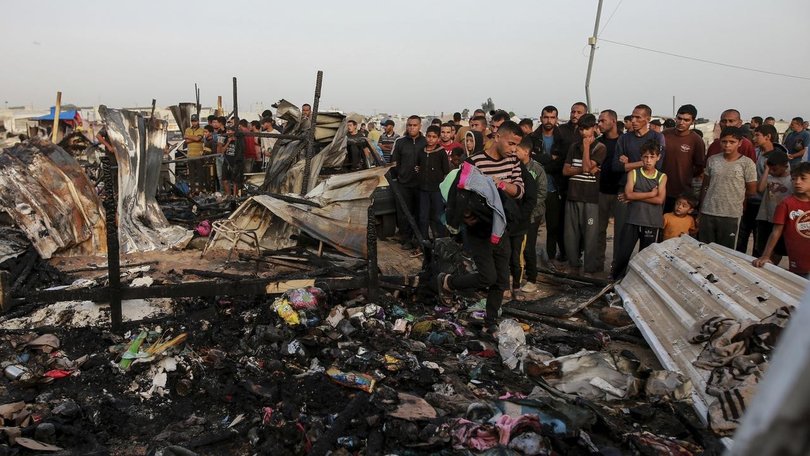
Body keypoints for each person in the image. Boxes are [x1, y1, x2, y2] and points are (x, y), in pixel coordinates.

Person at [441, 121, 525, 335]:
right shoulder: (474, 162)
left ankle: (490, 322)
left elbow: (519, 190)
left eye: (516, 145)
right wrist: (467, 217)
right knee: (488, 277)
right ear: (497, 137)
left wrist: (502, 185)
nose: (513, 149)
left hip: (502, 228)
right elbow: (459, 194)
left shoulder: (513, 161)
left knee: (502, 279)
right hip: (480, 231)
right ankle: (449, 282)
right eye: (511, 143)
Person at [613, 104, 666, 261]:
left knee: (647, 242)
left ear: (648, 119)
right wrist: (640, 163)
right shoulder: (624, 138)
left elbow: (658, 166)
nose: (633, 120)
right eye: (632, 117)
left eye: (638, 117)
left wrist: (629, 164)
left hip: (649, 193)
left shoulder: (657, 138)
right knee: (622, 237)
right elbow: (616, 167)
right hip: (625, 192)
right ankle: (616, 271)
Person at [613, 140, 667, 278]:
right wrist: (650, 194)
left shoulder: (661, 177)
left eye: (652, 157)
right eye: (645, 157)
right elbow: (628, 194)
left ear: (658, 157)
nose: (648, 160)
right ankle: (615, 281)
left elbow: (659, 200)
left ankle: (641, 282)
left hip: (651, 222)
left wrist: (635, 197)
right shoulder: (634, 173)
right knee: (623, 254)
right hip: (633, 219)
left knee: (646, 257)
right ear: (641, 157)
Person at [699, 127, 758, 248]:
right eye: (724, 141)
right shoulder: (713, 160)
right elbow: (705, 185)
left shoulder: (747, 164)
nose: (727, 145)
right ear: (719, 142)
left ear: (740, 143)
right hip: (708, 212)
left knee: (726, 251)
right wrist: (701, 207)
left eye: (732, 142)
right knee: (705, 249)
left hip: (731, 215)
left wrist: (736, 198)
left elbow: (751, 190)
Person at [562, 113, 607, 273]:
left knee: (590, 236)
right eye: (581, 129)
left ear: (594, 128)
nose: (583, 133)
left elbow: (588, 166)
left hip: (590, 198)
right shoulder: (573, 147)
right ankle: (574, 265)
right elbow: (566, 170)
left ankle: (589, 269)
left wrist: (587, 147)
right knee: (570, 234)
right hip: (573, 195)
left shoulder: (600, 147)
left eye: (587, 129)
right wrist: (584, 169)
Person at [753, 162, 810, 278]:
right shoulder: (786, 204)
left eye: (803, 178)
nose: (797, 182)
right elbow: (776, 232)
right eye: (794, 179)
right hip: (800, 263)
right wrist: (766, 255)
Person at [530, 106, 566, 262]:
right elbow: (530, 160)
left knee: (553, 227)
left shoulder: (562, 140)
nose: (549, 120)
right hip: (535, 190)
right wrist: (550, 159)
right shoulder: (533, 138)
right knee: (532, 226)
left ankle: (550, 258)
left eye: (552, 117)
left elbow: (561, 164)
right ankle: (529, 259)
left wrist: (542, 162)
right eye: (546, 117)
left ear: (556, 119)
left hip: (553, 189)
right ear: (541, 118)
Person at [514, 136, 547, 293]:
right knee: (516, 247)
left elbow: (542, 193)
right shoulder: (514, 167)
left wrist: (528, 208)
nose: (514, 151)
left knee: (528, 248)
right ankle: (516, 277)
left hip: (533, 215)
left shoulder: (537, 169)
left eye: (517, 149)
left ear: (526, 151)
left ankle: (532, 278)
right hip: (517, 214)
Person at [662, 104, 706, 213]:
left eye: (686, 120)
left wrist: (686, 175)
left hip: (682, 193)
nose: (682, 122)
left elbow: (699, 166)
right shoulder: (664, 135)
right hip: (660, 189)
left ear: (693, 121)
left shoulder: (696, 140)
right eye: (679, 118)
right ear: (675, 117)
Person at [391, 116, 427, 250]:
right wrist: (398, 176)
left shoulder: (425, 142)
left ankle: (418, 240)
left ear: (420, 126)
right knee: (404, 214)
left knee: (420, 214)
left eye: (414, 125)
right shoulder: (400, 142)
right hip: (404, 184)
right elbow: (394, 162)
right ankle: (405, 239)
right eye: (409, 125)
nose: (412, 128)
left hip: (421, 185)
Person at [596, 109, 623, 270]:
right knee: (598, 230)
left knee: (620, 232)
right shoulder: (599, 142)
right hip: (601, 191)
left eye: (602, 121)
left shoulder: (624, 141)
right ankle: (598, 264)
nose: (599, 124)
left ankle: (616, 266)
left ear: (613, 121)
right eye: (599, 121)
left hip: (620, 192)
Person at [754, 150, 791, 263]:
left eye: (775, 169)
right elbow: (759, 189)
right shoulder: (769, 178)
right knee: (762, 247)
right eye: (771, 169)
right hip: (766, 217)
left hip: (781, 220)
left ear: (785, 166)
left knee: (778, 250)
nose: (772, 172)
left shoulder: (792, 180)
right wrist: (766, 170)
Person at [417, 125, 450, 242]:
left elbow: (446, 172)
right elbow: (418, 166)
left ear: (438, 138)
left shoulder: (441, 153)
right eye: (429, 136)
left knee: (438, 216)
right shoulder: (421, 151)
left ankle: (441, 241)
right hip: (423, 190)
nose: (431, 139)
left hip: (437, 190)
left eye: (434, 137)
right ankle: (424, 241)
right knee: (423, 217)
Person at [183, 114, 206, 194]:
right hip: (190, 155)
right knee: (191, 174)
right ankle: (192, 190)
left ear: (198, 121)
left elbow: (198, 138)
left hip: (198, 155)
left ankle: (200, 190)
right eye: (192, 121)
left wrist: (189, 137)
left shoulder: (201, 130)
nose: (194, 123)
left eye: (195, 121)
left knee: (200, 174)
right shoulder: (187, 129)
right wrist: (195, 138)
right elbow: (186, 141)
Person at [218, 125, 243, 197]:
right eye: (227, 131)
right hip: (226, 161)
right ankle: (228, 195)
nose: (227, 132)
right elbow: (222, 151)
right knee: (225, 180)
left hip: (235, 162)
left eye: (229, 131)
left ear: (233, 132)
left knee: (235, 181)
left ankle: (235, 196)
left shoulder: (239, 140)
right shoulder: (226, 139)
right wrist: (228, 142)